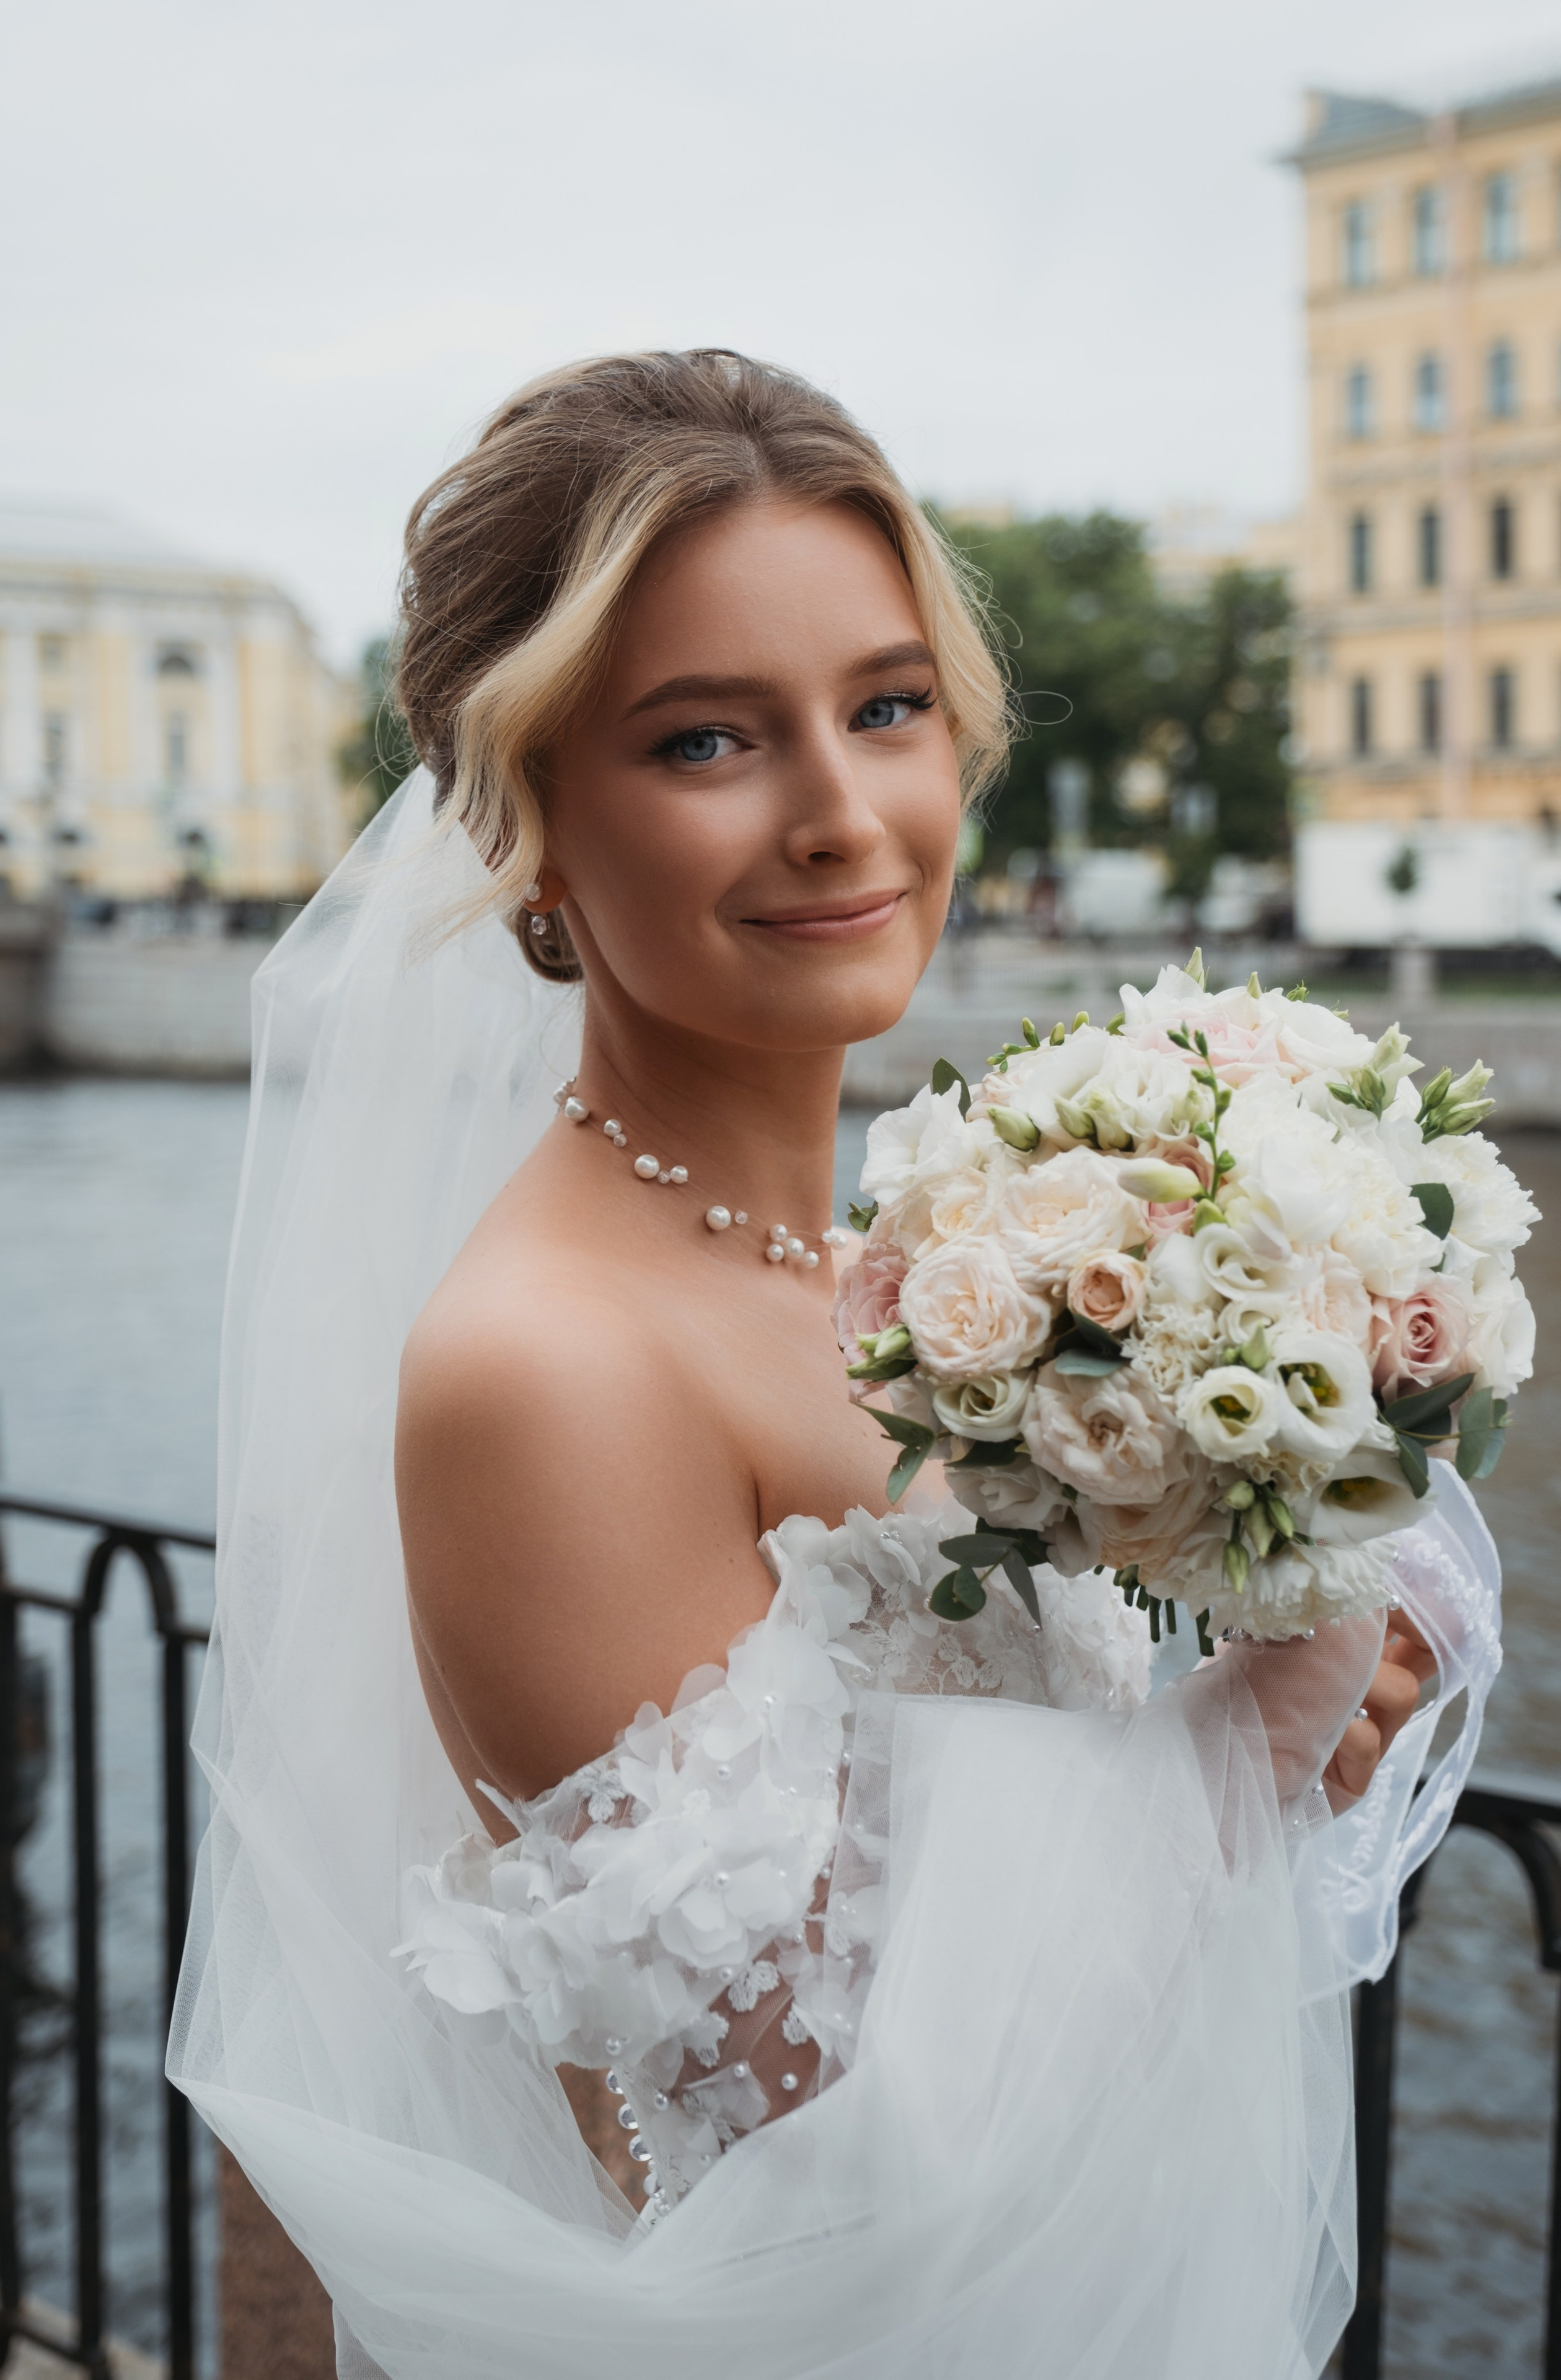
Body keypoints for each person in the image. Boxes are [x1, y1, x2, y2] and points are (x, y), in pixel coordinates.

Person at [169, 351, 1501, 2380]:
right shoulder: (550, 1370)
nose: (839, 813)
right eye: (708, 740)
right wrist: (1234, 1747)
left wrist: (1278, 1574)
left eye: (886, 709)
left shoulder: (923, 1266)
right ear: (526, 824)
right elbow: (828, 2163)